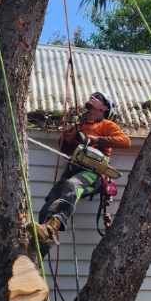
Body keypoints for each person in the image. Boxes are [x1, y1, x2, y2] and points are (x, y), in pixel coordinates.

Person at [36, 92, 132, 248]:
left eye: (98, 100)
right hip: (74, 168)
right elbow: (65, 149)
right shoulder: (80, 125)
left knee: (72, 186)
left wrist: (96, 139)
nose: (92, 102)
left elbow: (125, 141)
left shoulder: (107, 125)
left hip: (93, 173)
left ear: (104, 108)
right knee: (52, 197)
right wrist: (69, 138)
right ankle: (43, 233)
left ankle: (56, 223)